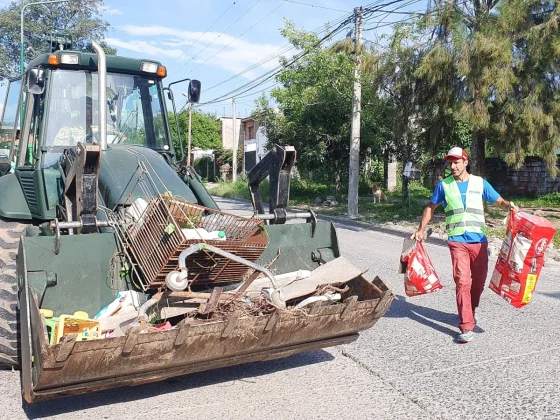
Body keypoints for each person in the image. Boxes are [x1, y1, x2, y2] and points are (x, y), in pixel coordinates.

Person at [412, 147, 518, 343]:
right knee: (462, 281)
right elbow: (430, 207)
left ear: (465, 162)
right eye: (450, 163)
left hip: (479, 242)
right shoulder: (444, 186)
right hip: (457, 241)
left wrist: (509, 206)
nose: (452, 166)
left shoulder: (480, 183)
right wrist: (421, 229)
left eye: (456, 162)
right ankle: (466, 325)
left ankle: (471, 308)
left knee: (477, 284)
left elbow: (499, 201)